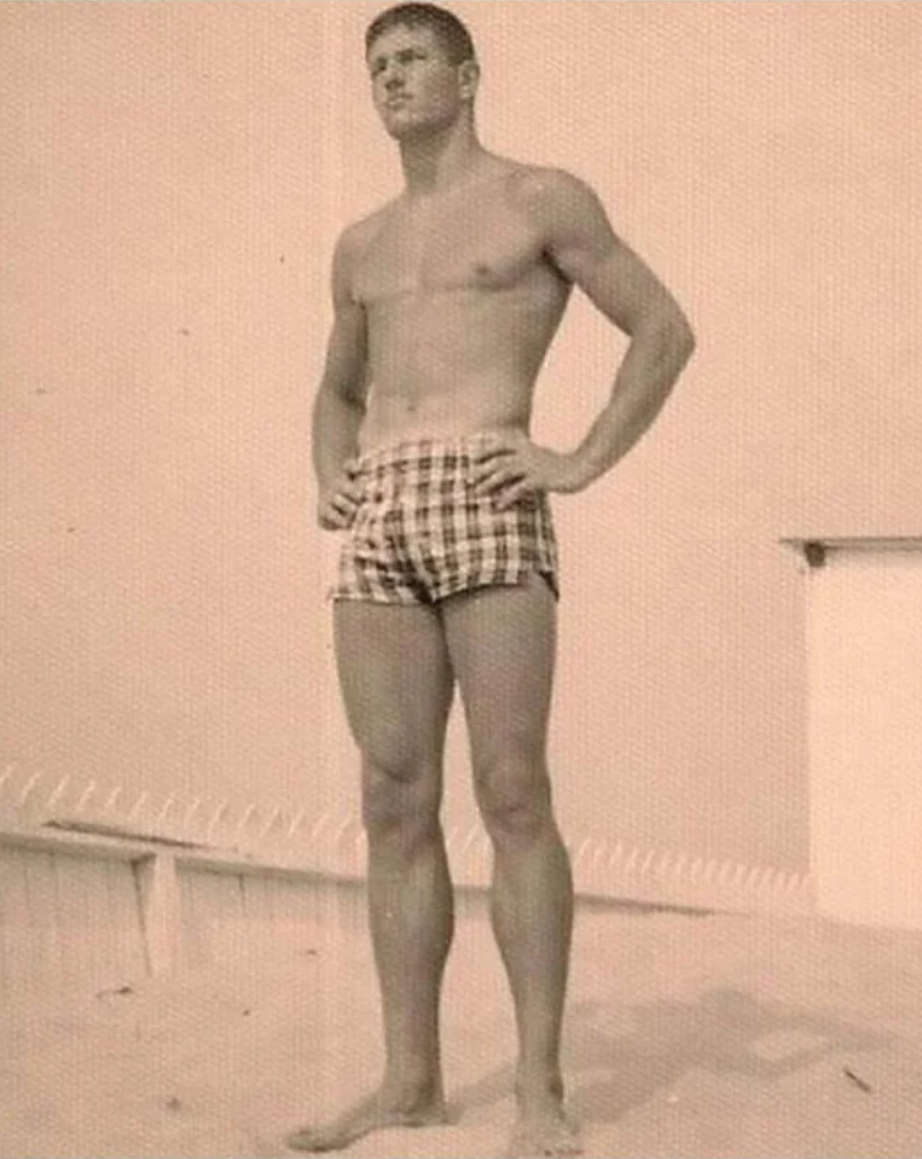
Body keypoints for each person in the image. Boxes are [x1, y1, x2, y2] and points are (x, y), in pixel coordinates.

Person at [286, 4, 695, 1156]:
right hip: (383, 507)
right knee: (390, 793)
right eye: (376, 64)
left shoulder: (539, 198)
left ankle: (538, 1091)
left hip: (485, 484)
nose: (391, 77)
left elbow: (662, 330)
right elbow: (336, 390)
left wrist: (580, 459)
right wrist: (328, 472)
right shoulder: (361, 243)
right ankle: (408, 1080)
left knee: (511, 789)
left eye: (413, 58)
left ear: (466, 77)